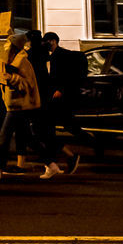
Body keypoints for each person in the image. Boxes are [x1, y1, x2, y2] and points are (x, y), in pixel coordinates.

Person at [0, 33, 49, 179]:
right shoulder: (13, 60)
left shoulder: (22, 61)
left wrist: (9, 78)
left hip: (19, 105)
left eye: (8, 44)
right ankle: (51, 164)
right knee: (28, 138)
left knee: (3, 137)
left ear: (14, 47)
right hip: (14, 104)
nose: (5, 47)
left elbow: (27, 84)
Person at [42, 31, 87, 173]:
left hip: (61, 96)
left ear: (53, 41)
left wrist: (60, 89)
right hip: (56, 96)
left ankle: (91, 142)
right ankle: (89, 142)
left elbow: (68, 76)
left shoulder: (61, 55)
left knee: (64, 124)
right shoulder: (53, 56)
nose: (46, 45)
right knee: (63, 124)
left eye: (47, 42)